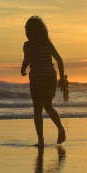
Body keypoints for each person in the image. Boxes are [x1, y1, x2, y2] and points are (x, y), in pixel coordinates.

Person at [21, 16, 67, 147]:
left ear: (29, 32)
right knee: (48, 106)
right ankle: (60, 128)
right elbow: (59, 60)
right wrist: (62, 78)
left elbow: (27, 59)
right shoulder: (47, 44)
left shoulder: (28, 44)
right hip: (50, 76)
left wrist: (23, 68)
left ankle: (41, 140)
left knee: (37, 109)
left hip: (37, 76)